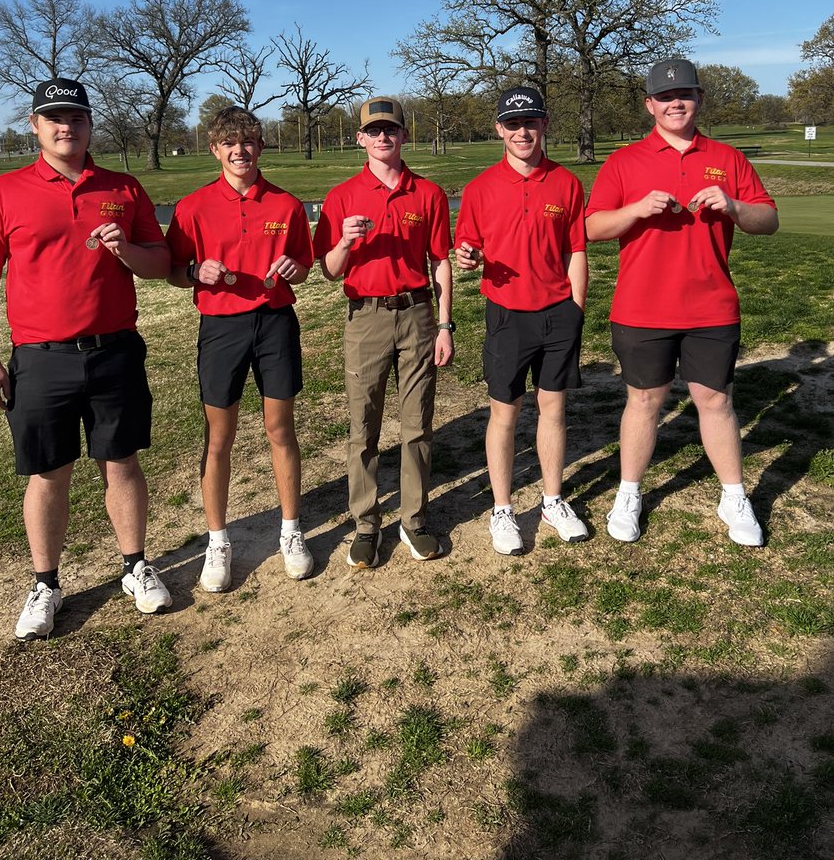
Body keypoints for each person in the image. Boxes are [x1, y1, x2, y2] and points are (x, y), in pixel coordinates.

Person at [0, 79, 173, 641]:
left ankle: (135, 566)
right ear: (35, 125)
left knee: (121, 463)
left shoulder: (122, 188)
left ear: (90, 125)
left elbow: (160, 264)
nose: (66, 128)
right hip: (40, 358)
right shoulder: (4, 190)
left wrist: (126, 250)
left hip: (114, 350)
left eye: (76, 118)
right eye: (54, 118)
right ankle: (45, 584)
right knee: (47, 473)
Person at [585, 59, 778, 546]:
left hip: (711, 307)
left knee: (715, 401)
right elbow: (591, 227)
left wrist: (733, 206)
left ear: (699, 100)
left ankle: (734, 496)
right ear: (649, 105)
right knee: (644, 400)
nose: (676, 103)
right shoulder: (624, 161)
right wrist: (636, 210)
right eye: (666, 97)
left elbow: (768, 220)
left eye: (685, 95)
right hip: (641, 307)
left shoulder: (727, 158)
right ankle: (629, 493)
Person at [166, 106, 314, 590]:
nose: (239, 151)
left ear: (261, 147)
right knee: (219, 437)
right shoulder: (192, 207)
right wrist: (195, 272)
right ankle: (218, 541)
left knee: (280, 429)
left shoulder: (287, 205)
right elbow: (172, 271)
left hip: (274, 323)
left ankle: (290, 531)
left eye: (248, 141)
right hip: (220, 327)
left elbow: (304, 267)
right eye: (229, 143)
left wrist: (294, 269)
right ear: (214, 149)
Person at [313, 96, 454, 568]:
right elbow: (329, 270)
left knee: (417, 424)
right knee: (364, 425)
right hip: (366, 317)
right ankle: (366, 523)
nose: (382, 137)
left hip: (417, 314)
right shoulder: (341, 196)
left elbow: (440, 261)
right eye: (373, 131)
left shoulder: (428, 193)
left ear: (403, 135)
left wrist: (444, 324)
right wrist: (344, 241)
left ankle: (414, 519)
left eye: (390, 129)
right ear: (360, 139)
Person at [455, 87, 589, 555]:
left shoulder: (567, 183)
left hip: (557, 313)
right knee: (505, 412)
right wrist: (468, 258)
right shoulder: (479, 188)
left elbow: (576, 250)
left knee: (553, 408)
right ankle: (503, 509)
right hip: (507, 314)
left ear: (544, 125)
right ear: (499, 129)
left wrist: (576, 309)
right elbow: (468, 248)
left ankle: (552, 501)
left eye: (530, 122)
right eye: (512, 124)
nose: (522, 132)